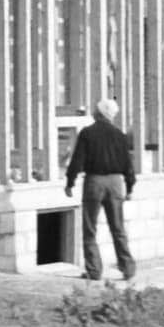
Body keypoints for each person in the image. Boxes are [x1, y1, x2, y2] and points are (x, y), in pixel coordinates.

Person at [64, 99, 137, 281]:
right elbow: (128, 164)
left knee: (90, 228)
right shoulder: (120, 136)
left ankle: (94, 271)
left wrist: (70, 182)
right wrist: (130, 187)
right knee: (118, 227)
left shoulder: (87, 133)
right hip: (115, 182)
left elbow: (77, 160)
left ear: (98, 114)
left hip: (94, 181)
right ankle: (127, 268)